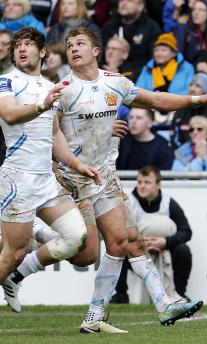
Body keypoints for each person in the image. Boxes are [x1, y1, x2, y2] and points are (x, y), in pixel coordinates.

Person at [55, 27, 207, 333]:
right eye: (69, 45)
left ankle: (155, 306)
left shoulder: (116, 83)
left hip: (104, 177)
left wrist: (196, 99)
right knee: (85, 254)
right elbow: (50, 135)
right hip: (72, 180)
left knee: (125, 241)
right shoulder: (62, 90)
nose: (73, 48)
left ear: (97, 50)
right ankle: (29, 258)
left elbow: (157, 100)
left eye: (80, 43)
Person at [0, 27, 100, 313]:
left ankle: (16, 277)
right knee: (13, 252)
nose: (21, 50)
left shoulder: (50, 86)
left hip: (45, 179)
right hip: (17, 178)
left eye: (28, 45)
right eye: (17, 46)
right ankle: (12, 270)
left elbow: (54, 135)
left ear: (42, 52)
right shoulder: (5, 82)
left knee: (76, 237)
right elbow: (8, 113)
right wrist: (43, 104)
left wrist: (78, 164)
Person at [113, 166, 194, 302]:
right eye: (139, 182)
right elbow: (116, 232)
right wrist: (138, 242)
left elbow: (186, 232)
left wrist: (165, 242)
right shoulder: (128, 202)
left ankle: (179, 294)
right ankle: (121, 294)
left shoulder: (168, 203)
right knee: (117, 249)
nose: (142, 186)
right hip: (136, 249)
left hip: (163, 250)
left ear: (158, 184)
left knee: (183, 251)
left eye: (147, 182)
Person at [101, 0, 162, 78]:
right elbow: (99, 55)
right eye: (121, 0)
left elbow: (154, 60)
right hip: (106, 74)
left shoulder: (152, 28)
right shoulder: (109, 27)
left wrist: (124, 74)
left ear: (140, 6)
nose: (124, 3)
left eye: (129, 0)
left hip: (140, 78)